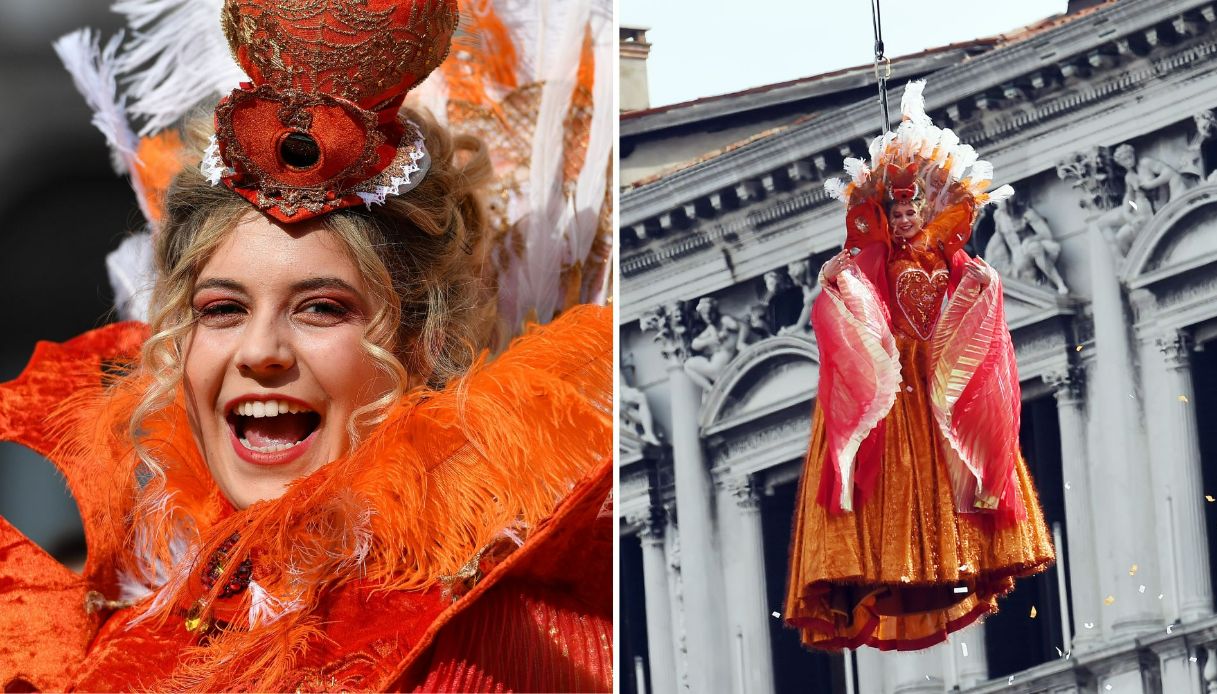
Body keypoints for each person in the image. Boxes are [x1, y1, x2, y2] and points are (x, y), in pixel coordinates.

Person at [0, 0, 613, 691]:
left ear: (422, 343)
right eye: (222, 309)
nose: (261, 351)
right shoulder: (113, 642)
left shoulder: (483, 641)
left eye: (321, 309)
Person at [785, 80, 1054, 651]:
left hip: (940, 377)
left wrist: (987, 286)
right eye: (895, 210)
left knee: (958, 461)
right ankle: (896, 559)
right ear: (881, 215)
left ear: (928, 208)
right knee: (893, 472)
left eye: (913, 209)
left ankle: (956, 551)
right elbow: (853, 311)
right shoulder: (871, 261)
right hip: (895, 379)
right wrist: (836, 284)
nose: (905, 219)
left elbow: (977, 317)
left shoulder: (953, 260)